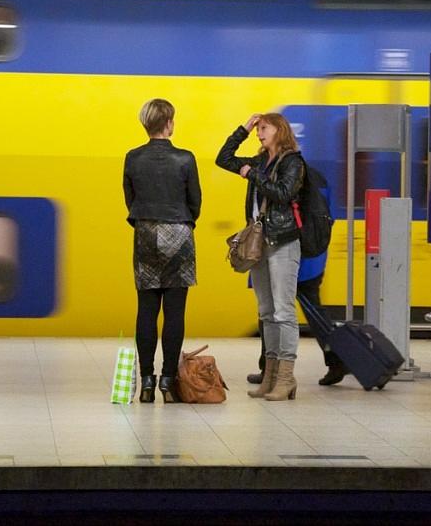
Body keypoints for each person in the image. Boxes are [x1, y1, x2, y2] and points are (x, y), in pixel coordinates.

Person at [217, 113, 303, 401]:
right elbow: (224, 158)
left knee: (283, 311)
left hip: (282, 243)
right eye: (257, 129)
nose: (258, 133)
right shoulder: (259, 161)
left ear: (280, 129)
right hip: (259, 246)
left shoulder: (293, 162)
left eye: (263, 128)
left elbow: (282, 192)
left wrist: (253, 175)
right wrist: (243, 128)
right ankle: (269, 375)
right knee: (266, 311)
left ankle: (286, 377)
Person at [124, 98, 201, 404]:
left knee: (146, 310)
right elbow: (195, 201)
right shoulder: (185, 158)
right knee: (174, 312)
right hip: (180, 233)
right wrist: (181, 222)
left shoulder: (133, 157)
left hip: (145, 232)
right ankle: (168, 382)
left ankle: (146, 383)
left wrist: (147, 222)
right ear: (169, 123)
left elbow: (129, 199)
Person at [246, 167, 349, 387]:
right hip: (310, 254)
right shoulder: (316, 175)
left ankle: (336, 359)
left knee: (276, 311)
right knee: (289, 310)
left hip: (295, 254)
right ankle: (269, 367)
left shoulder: (286, 176)